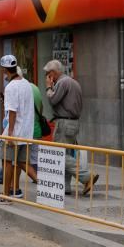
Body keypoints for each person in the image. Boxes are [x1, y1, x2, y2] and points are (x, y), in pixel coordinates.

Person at [44, 59, 98, 195]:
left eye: (48, 74)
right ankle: (65, 187)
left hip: (64, 122)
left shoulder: (62, 82)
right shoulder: (73, 82)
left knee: (59, 154)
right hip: (73, 122)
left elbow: (53, 100)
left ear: (54, 73)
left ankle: (86, 176)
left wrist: (49, 87)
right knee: (66, 154)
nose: (47, 77)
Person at [0, 56, 34, 204]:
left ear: (4, 69)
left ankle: (5, 194)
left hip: (15, 131)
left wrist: (9, 135)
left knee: (7, 161)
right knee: (20, 162)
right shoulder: (27, 84)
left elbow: (12, 112)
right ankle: (15, 191)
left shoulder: (10, 87)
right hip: (27, 131)